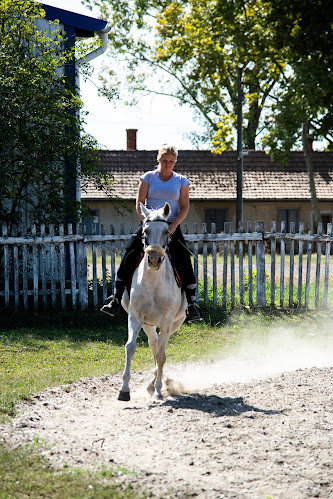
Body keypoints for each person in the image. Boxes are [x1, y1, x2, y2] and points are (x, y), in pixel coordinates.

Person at [101, 143, 203, 322]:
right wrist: (145, 221)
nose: (168, 164)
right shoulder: (148, 177)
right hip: (150, 223)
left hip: (170, 225)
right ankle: (116, 298)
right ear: (159, 160)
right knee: (129, 253)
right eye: (165, 161)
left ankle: (191, 304)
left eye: (171, 161)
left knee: (184, 259)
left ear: (175, 161)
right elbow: (139, 203)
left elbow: (185, 207)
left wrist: (174, 226)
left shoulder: (181, 181)